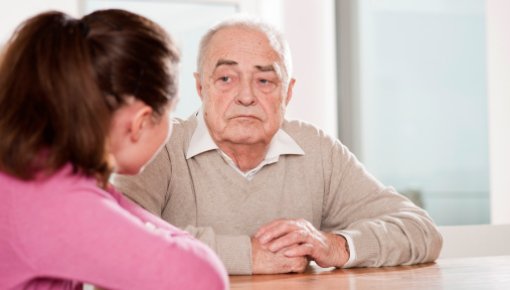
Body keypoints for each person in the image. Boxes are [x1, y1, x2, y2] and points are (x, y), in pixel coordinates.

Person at [113, 17, 443, 275]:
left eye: (265, 81)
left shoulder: (317, 149)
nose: (245, 96)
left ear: (288, 92)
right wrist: (249, 254)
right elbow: (120, 237)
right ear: (201, 87)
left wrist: (336, 245)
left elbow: (421, 230)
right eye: (226, 79)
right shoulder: (161, 145)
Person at [0, 9, 228, 289]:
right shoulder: (57, 199)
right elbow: (205, 278)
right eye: (172, 108)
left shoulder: (32, 171)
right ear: (140, 122)